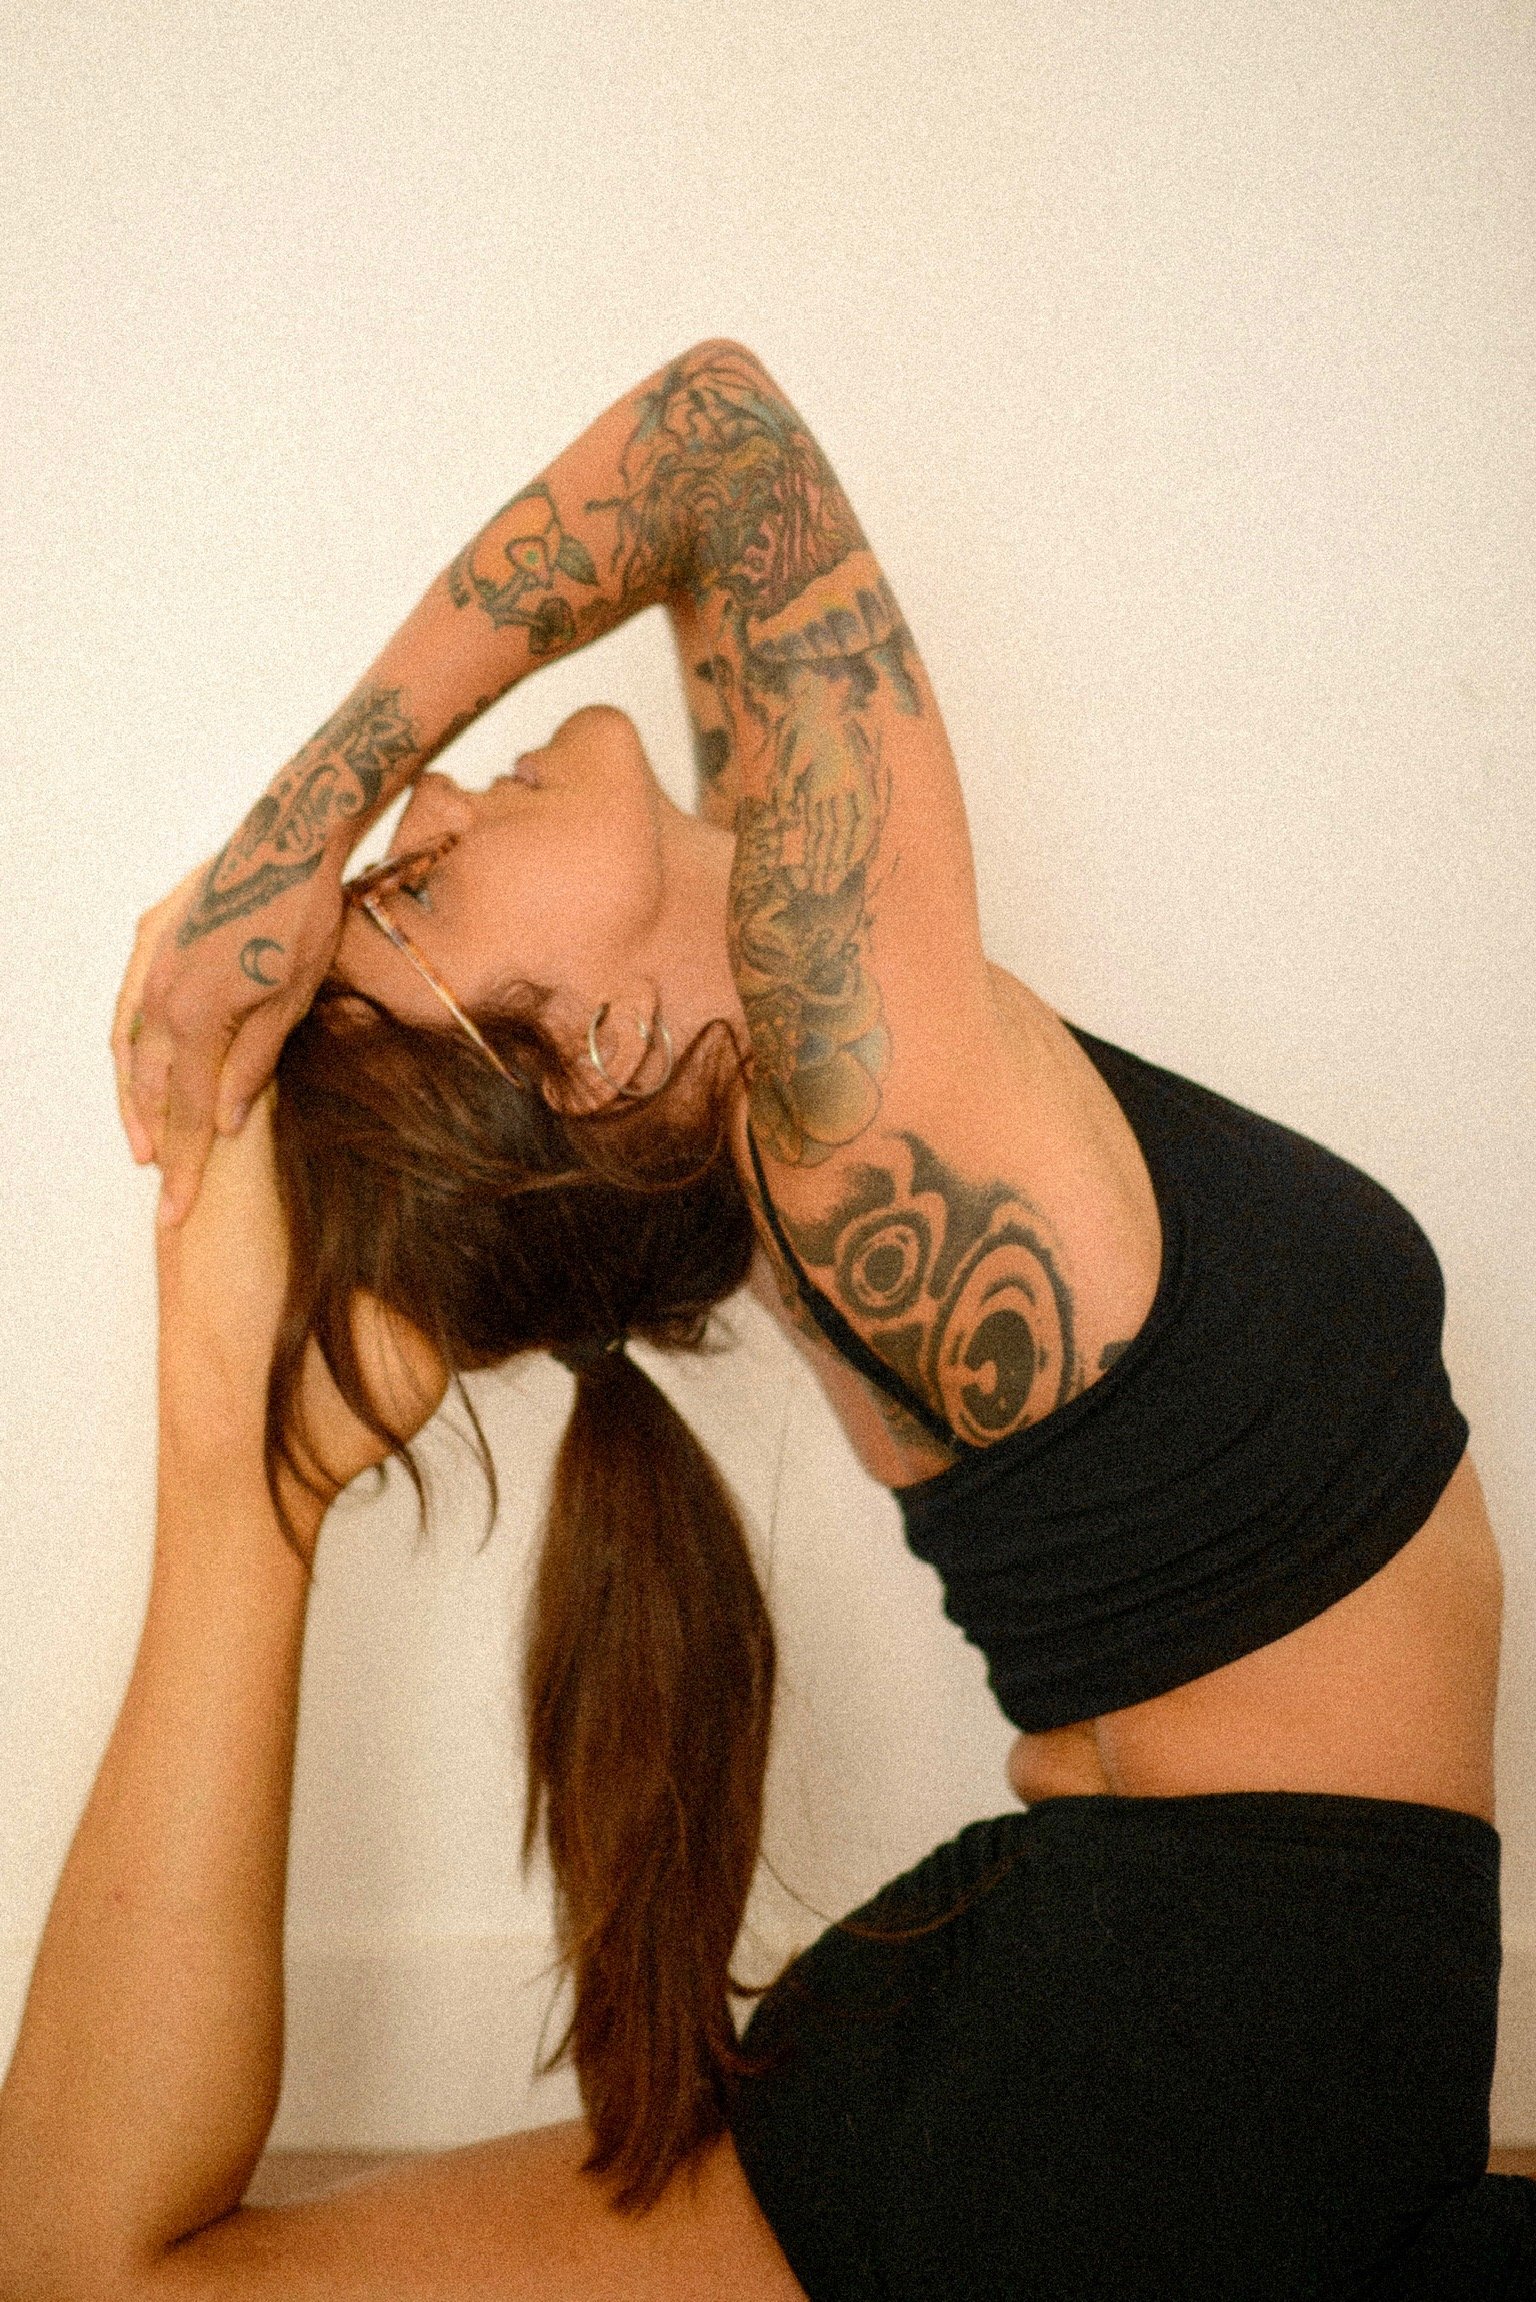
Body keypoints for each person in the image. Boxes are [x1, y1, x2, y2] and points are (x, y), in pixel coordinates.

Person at [2, 341, 1532, 2297]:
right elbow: (717, 440)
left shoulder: (788, 1056)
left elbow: (701, 511)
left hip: (1111, 2016)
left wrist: (301, 886)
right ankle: (240, 1464)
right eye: (422, 888)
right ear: (597, 1056)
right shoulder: (850, 1110)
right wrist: (299, 829)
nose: (435, 792)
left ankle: (245, 1479)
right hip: (1192, 2085)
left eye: (399, 855)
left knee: (96, 2269)